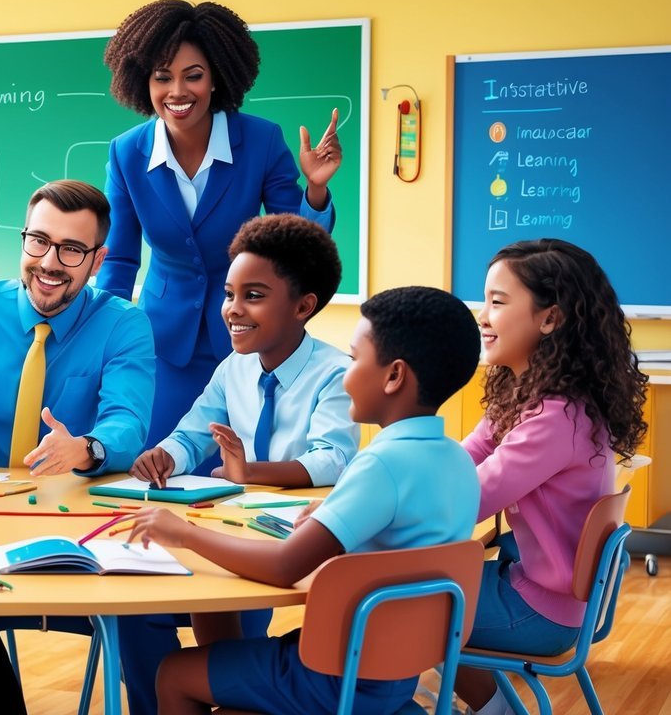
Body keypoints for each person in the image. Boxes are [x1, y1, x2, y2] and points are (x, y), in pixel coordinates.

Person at [128, 286, 482, 715]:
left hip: (338, 675)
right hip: (395, 673)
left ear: (394, 376)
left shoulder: (381, 465)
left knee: (175, 673)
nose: (346, 373)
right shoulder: (457, 461)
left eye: (355, 359)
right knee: (220, 639)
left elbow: (284, 567)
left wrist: (183, 532)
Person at [0, 179, 155, 714]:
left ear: (98, 258)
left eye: (71, 249)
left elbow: (127, 424)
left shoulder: (125, 325)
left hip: (84, 518)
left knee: (140, 605)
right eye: (38, 241)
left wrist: (85, 448)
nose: (49, 262)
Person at [122, 213, 360, 713]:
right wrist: (166, 454)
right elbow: (194, 431)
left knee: (229, 610)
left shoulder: (337, 373)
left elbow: (334, 460)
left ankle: (216, 691)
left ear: (303, 306)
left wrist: (250, 473)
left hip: (294, 542)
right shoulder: (234, 367)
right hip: (235, 526)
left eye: (253, 295)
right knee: (138, 612)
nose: (232, 309)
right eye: (229, 294)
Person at [98, 0, 343, 453]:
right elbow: (119, 260)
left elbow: (298, 248)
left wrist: (314, 190)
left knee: (243, 474)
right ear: (143, 81)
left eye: (193, 75)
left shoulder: (261, 139)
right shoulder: (126, 152)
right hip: (164, 346)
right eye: (162, 76)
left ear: (217, 79)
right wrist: (106, 339)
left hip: (249, 338)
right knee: (163, 465)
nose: (177, 91)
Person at [454, 239, 648, 715]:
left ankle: (491, 709)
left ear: (550, 319)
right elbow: (467, 457)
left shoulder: (554, 417)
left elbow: (466, 500)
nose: (482, 316)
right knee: (408, 590)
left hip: (539, 611)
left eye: (498, 302)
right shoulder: (534, 396)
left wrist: (383, 501)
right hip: (539, 589)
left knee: (390, 603)